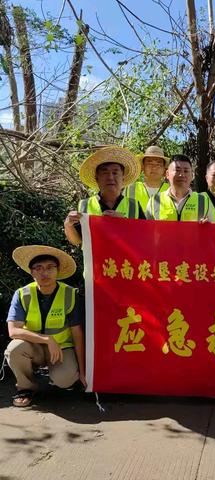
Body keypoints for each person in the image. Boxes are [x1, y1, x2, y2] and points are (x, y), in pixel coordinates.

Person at [5, 245, 85, 407]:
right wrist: (47, 339)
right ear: (32, 272)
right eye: (39, 268)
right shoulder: (22, 294)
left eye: (50, 267)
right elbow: (13, 331)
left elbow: (77, 333)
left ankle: (62, 376)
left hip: (62, 349)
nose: (45, 273)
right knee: (14, 349)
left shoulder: (70, 294)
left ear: (58, 270)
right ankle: (26, 388)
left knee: (65, 380)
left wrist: (83, 371)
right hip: (34, 347)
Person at [64, 146, 143, 246]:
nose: (110, 177)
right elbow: (77, 240)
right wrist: (68, 225)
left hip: (126, 261)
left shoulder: (134, 206)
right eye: (105, 172)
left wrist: (124, 222)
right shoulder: (85, 205)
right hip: (95, 261)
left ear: (123, 177)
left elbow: (144, 238)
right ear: (97, 178)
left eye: (115, 172)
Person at [146, 154, 212, 221]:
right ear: (167, 174)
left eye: (186, 171)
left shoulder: (203, 201)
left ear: (192, 176)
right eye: (177, 170)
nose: (182, 175)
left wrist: (207, 226)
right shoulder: (154, 201)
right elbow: (147, 229)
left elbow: (213, 229)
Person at [124, 145, 170, 212]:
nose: (154, 167)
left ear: (164, 169)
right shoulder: (130, 189)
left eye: (158, 164)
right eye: (149, 163)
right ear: (143, 167)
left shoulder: (172, 190)